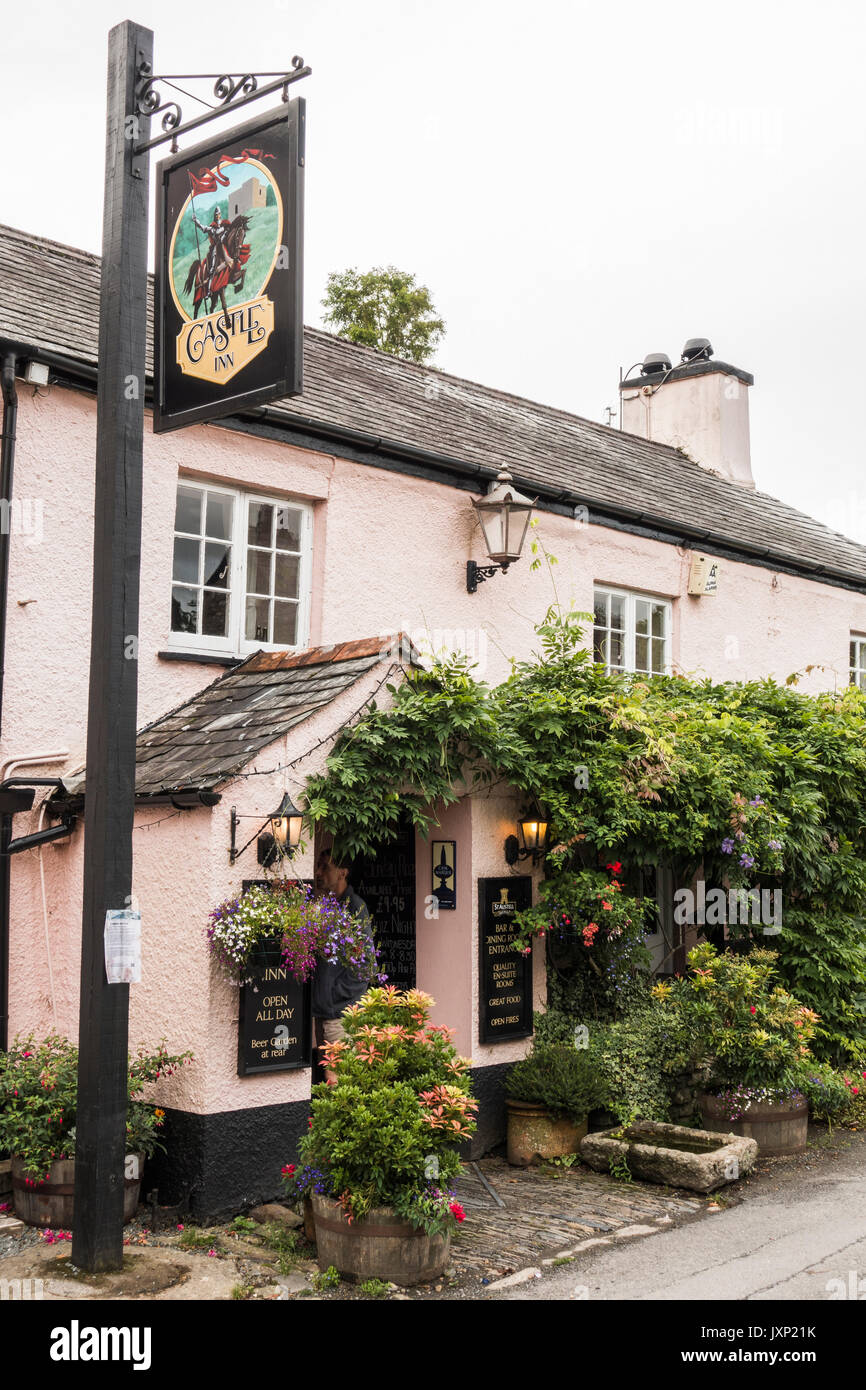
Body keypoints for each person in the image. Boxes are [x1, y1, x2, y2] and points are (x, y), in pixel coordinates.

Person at [312, 848, 374, 1081]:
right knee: (330, 1077)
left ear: (343, 873)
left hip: (340, 1012)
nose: (318, 872)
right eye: (319, 866)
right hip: (324, 1009)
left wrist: (336, 995)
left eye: (325, 867)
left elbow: (365, 963)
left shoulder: (354, 908)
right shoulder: (327, 907)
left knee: (336, 1080)